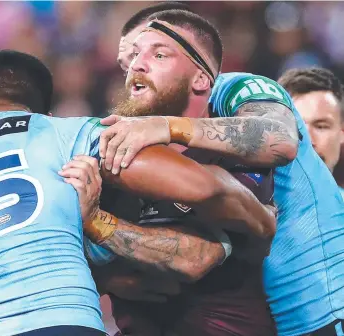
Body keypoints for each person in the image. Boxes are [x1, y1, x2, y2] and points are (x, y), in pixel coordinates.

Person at [0, 50, 275, 336]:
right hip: (62, 321)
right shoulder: (61, 132)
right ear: (42, 110)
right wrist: (259, 220)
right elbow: (201, 186)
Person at [99, 8, 344, 336]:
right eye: (127, 61)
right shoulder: (152, 145)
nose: (135, 67)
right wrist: (106, 278)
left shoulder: (234, 88)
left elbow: (281, 139)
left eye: (153, 51)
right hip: (279, 315)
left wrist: (166, 126)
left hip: (325, 301)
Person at [278, 67, 344, 199]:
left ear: (342, 133)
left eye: (321, 126)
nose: (308, 141)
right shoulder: (241, 208)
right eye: (296, 126)